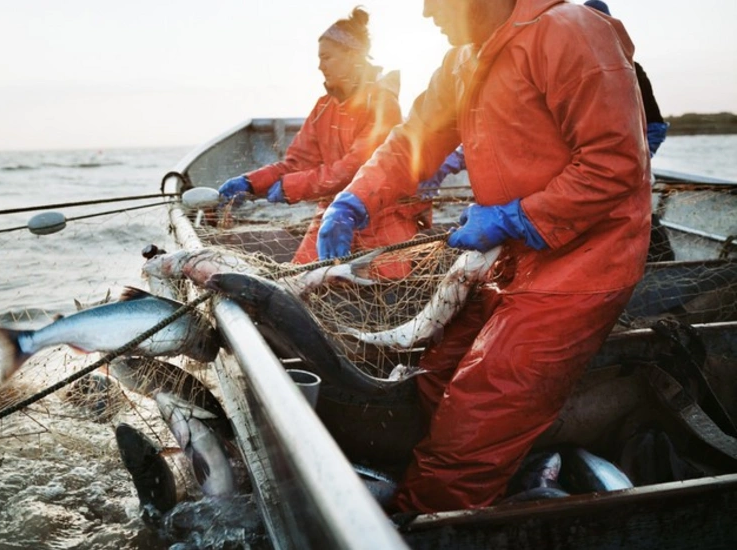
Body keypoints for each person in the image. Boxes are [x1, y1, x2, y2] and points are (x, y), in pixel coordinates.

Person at [317, 0, 651, 513]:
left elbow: (615, 161)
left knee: (478, 410)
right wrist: (356, 198)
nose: (427, 14)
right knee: (434, 381)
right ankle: (498, 475)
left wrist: (517, 216)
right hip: (506, 256)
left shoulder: (568, 32)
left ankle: (426, 520)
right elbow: (413, 141)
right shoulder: (461, 59)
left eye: (434, 1)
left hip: (585, 261)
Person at [218, 7, 427, 274]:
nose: (320, 65)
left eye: (326, 57)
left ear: (353, 56)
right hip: (330, 216)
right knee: (296, 280)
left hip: (382, 219)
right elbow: (296, 163)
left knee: (378, 290)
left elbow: (354, 170)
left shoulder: (382, 104)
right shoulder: (323, 107)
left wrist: (290, 187)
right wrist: (251, 182)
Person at [584, 0, 674, 261]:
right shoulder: (564, 70)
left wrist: (636, 161)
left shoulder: (633, 69)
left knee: (657, 249)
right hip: (587, 179)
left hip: (630, 177)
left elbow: (656, 126)